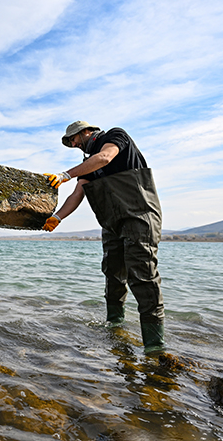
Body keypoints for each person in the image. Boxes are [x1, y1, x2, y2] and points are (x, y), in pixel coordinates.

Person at [42, 121, 165, 353]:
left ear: (87, 131)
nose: (74, 144)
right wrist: (57, 218)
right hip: (112, 223)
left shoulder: (116, 136)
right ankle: (115, 326)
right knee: (113, 275)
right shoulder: (87, 165)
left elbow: (106, 157)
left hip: (139, 216)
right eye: (70, 142)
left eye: (75, 139)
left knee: (143, 277)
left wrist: (65, 174)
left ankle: (154, 346)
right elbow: (77, 194)